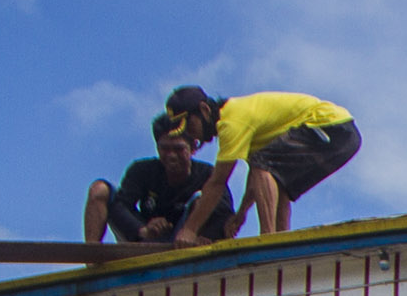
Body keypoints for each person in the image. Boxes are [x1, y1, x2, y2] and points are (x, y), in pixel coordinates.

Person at [164, 85, 360, 238]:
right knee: (277, 180)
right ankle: (282, 242)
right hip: (342, 135)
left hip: (330, 127)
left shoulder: (232, 123)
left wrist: (189, 230)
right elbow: (260, 180)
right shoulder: (241, 123)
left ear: (205, 110)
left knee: (264, 166)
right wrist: (241, 214)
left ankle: (268, 238)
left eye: (189, 125)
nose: (191, 134)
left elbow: (217, 182)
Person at [87, 115, 234, 248]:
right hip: (146, 240)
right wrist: (142, 229)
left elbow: (225, 213)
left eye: (178, 149)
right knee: (99, 190)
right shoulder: (141, 170)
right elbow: (121, 204)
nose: (171, 155)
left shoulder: (209, 175)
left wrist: (207, 235)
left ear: (193, 147)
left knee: (202, 199)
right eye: (165, 149)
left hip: (186, 240)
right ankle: (91, 257)